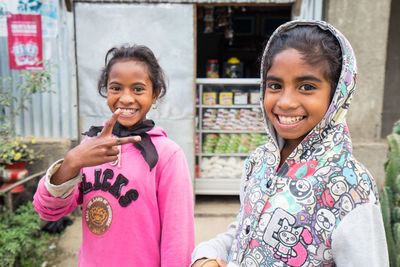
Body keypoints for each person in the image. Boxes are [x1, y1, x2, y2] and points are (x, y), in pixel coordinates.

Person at [191, 20, 389, 267]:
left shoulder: (350, 185)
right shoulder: (260, 161)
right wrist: (206, 254)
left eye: (306, 87)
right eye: (275, 85)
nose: (285, 102)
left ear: (338, 94)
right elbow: (245, 231)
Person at [33, 44, 195, 266]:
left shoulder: (167, 155)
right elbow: (48, 211)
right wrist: (71, 162)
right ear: (106, 91)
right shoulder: (90, 148)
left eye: (138, 89)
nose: (126, 99)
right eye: (116, 88)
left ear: (155, 94)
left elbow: (178, 237)